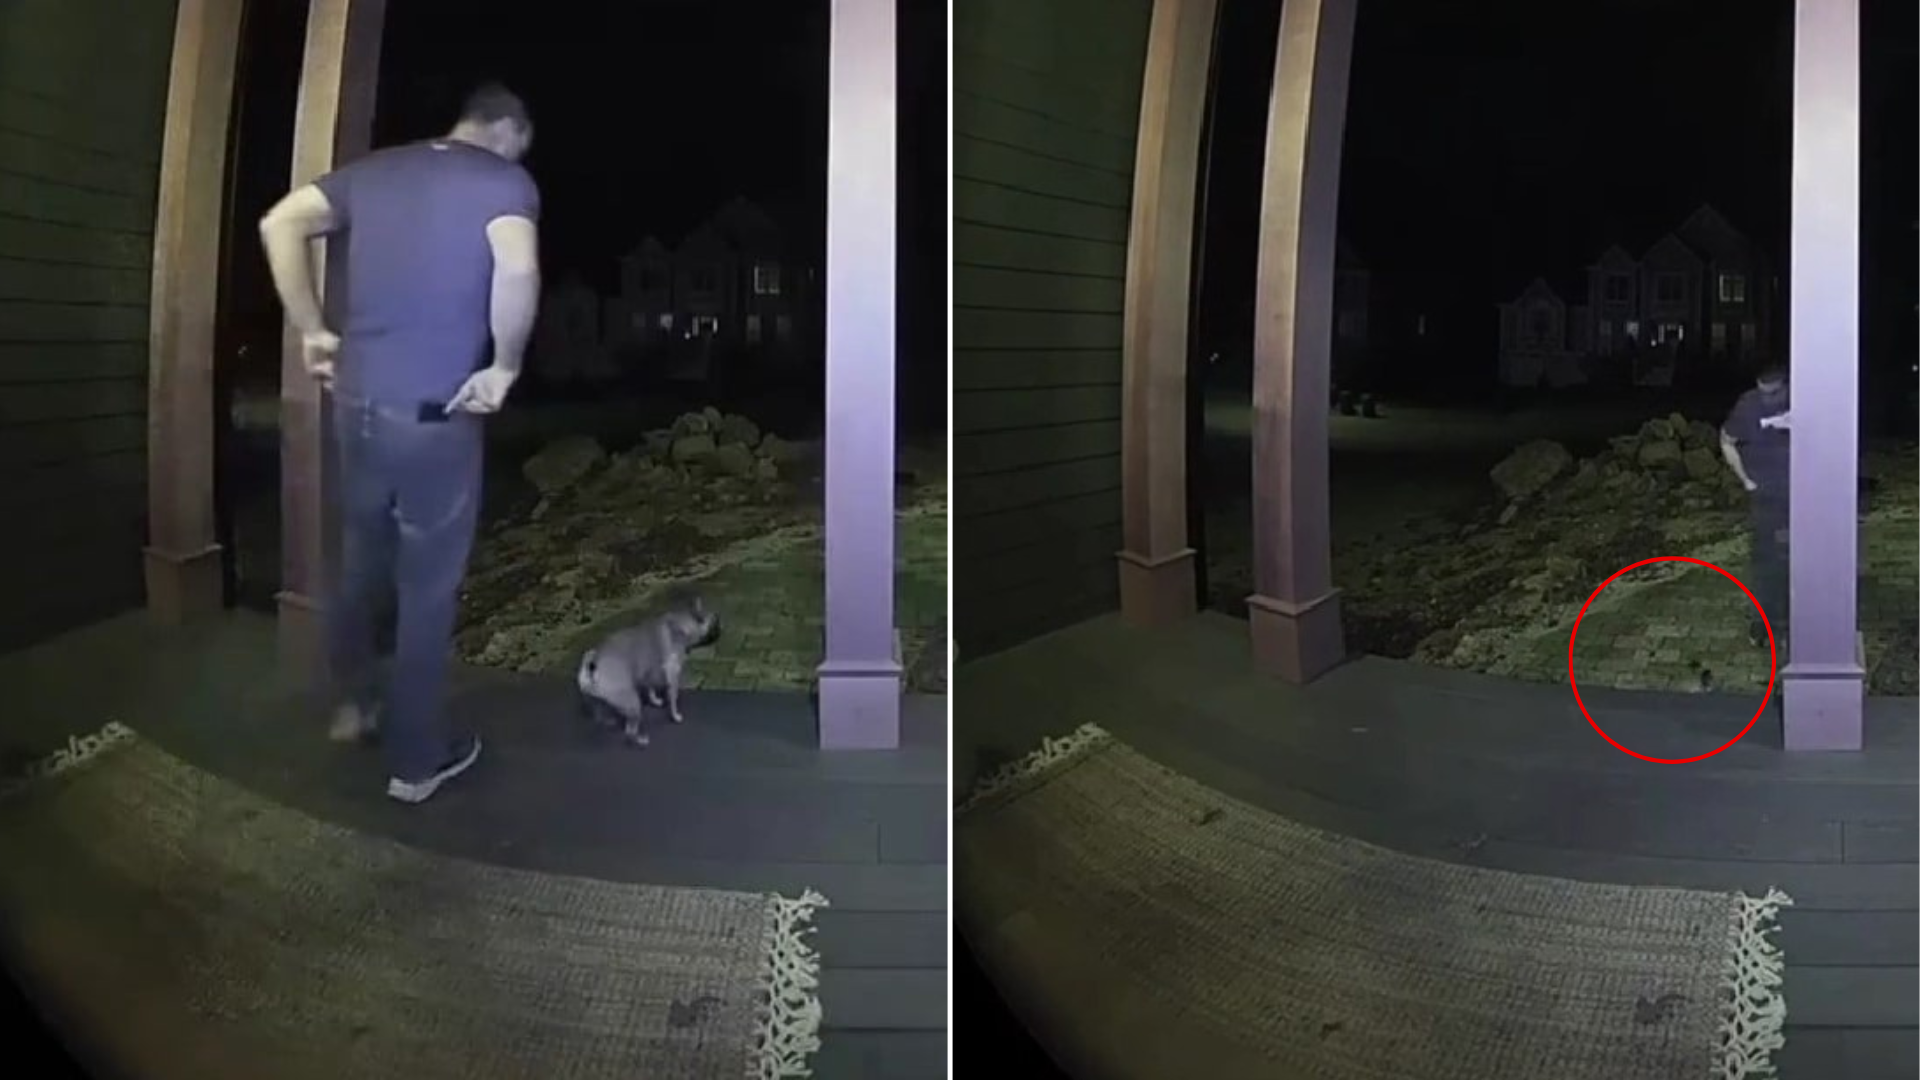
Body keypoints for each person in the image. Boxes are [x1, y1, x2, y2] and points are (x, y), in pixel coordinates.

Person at [258, 82, 542, 803]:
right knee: (427, 587)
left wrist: (312, 327)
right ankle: (417, 761)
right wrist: (504, 366)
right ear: (508, 131)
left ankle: (355, 702)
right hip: (432, 418)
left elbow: (277, 224)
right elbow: (516, 268)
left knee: (361, 558)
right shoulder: (504, 179)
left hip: (353, 407)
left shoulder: (373, 172)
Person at [1719, 360, 1792, 651]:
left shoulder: (1805, 398)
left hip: (1803, 493)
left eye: (1772, 393)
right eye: (1762, 392)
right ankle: (1764, 623)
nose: (1766, 399)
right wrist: (1746, 480)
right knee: (1765, 561)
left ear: (1785, 386)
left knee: (1805, 559)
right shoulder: (1748, 405)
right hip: (1765, 494)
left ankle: (1799, 622)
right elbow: (1726, 440)